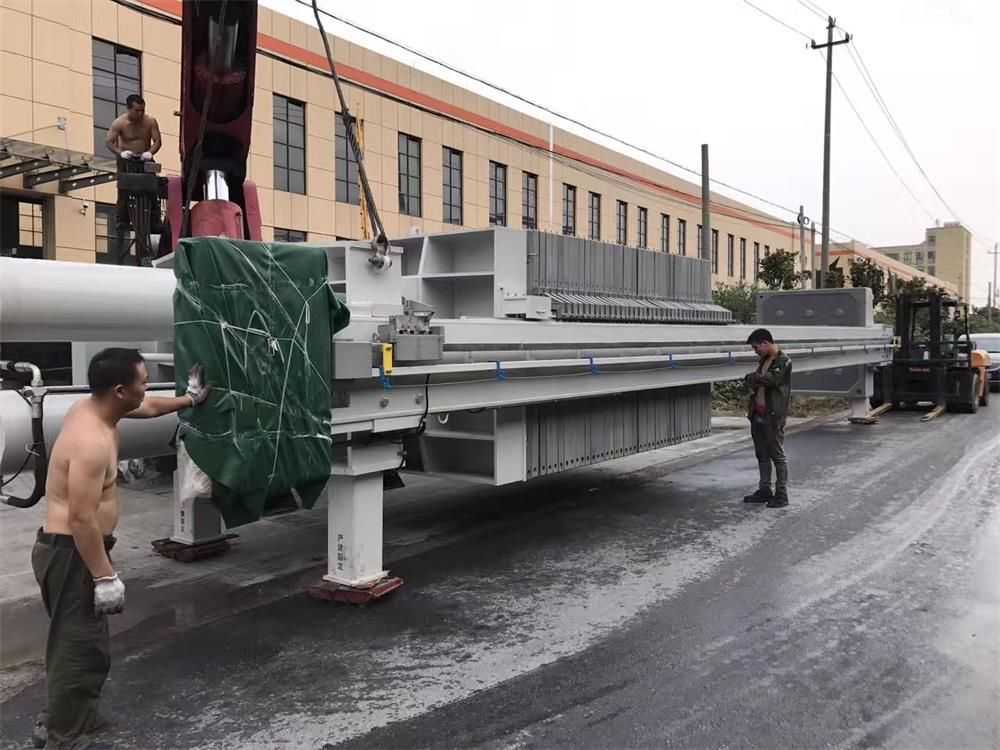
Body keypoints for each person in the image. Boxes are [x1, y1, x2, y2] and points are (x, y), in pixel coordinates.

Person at [31, 349, 208, 749]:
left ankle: (70, 718)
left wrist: (188, 399)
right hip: (71, 552)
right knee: (78, 649)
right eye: (143, 383)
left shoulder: (97, 410)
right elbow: (81, 519)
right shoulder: (91, 440)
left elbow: (149, 407)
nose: (147, 389)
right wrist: (104, 576)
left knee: (83, 645)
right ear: (119, 391)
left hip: (74, 551)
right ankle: (64, 738)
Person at [104, 95, 162, 264]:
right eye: (137, 110)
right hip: (126, 159)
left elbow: (157, 141)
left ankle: (155, 219)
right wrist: (120, 153)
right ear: (129, 109)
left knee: (153, 188)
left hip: (144, 157)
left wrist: (150, 152)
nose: (140, 113)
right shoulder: (119, 123)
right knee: (123, 190)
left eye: (142, 110)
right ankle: (122, 220)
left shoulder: (150, 121)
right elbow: (109, 142)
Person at [742, 329, 792, 508]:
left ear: (765, 343)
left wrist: (754, 377)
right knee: (761, 453)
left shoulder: (783, 360)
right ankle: (764, 489)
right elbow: (753, 380)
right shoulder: (764, 360)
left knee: (776, 454)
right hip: (758, 413)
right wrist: (755, 378)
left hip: (773, 416)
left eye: (756, 347)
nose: (755, 351)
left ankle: (781, 494)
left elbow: (771, 380)